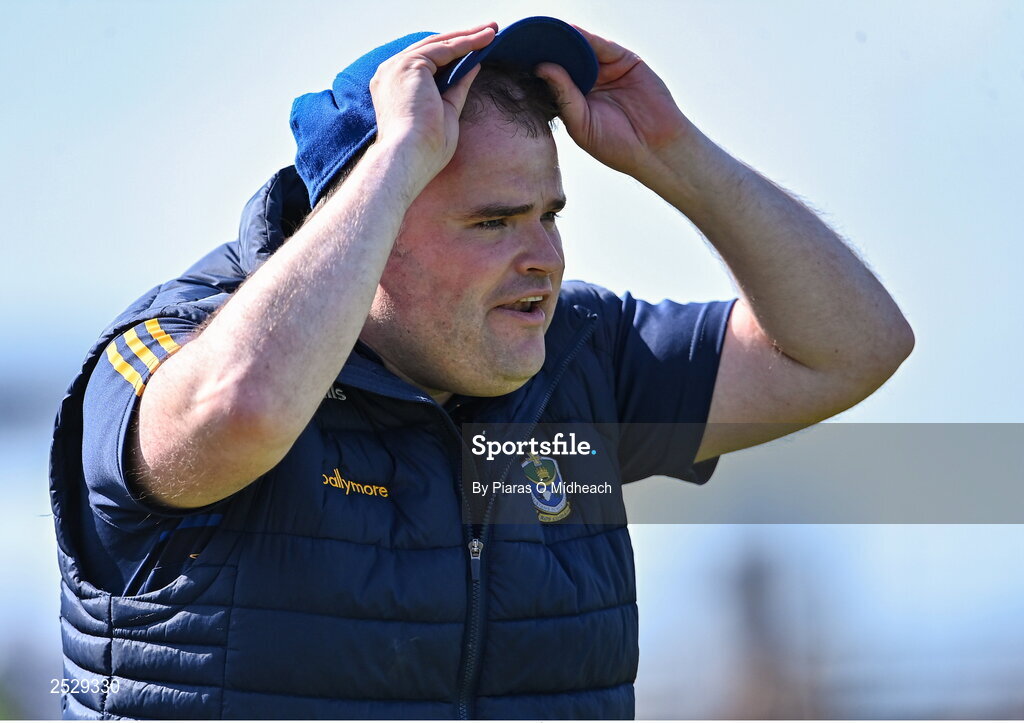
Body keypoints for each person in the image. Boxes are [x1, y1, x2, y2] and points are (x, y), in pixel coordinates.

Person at [49, 17, 913, 720]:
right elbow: (244, 409)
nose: (545, 257)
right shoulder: (170, 348)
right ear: (366, 225)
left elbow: (852, 345)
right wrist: (395, 157)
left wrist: (672, 149)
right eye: (494, 223)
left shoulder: (582, 356)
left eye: (549, 213)